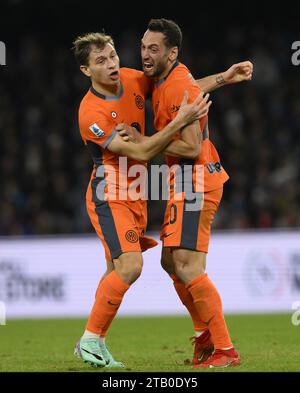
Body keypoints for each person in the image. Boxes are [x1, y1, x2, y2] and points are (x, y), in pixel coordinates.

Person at [72, 32, 211, 369]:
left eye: (113, 55)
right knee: (131, 266)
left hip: (137, 192)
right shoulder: (91, 112)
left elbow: (178, 89)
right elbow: (142, 150)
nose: (112, 64)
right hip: (110, 193)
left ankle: (94, 342)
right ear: (85, 70)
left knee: (114, 272)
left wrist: (223, 79)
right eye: (101, 61)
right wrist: (180, 121)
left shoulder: (133, 78)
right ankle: (90, 341)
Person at [120, 19, 253, 368]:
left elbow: (192, 147)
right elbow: (194, 88)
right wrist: (224, 77)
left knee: (188, 266)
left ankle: (225, 349)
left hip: (195, 180)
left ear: (172, 52)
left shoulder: (176, 81)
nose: (145, 54)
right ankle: (205, 336)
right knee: (169, 262)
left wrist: (146, 143)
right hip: (182, 181)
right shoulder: (170, 78)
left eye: (154, 49)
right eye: (143, 47)